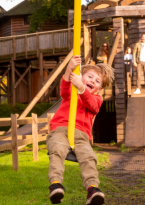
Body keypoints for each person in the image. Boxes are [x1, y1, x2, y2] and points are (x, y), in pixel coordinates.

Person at [47, 55, 114, 205]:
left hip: (82, 136)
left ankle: (92, 188)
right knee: (56, 149)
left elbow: (92, 105)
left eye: (97, 81)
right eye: (89, 76)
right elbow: (64, 89)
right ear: (80, 76)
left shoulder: (97, 99)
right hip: (61, 129)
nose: (92, 81)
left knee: (89, 157)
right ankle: (55, 184)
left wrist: (82, 88)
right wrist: (69, 69)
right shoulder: (71, 91)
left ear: (100, 89)